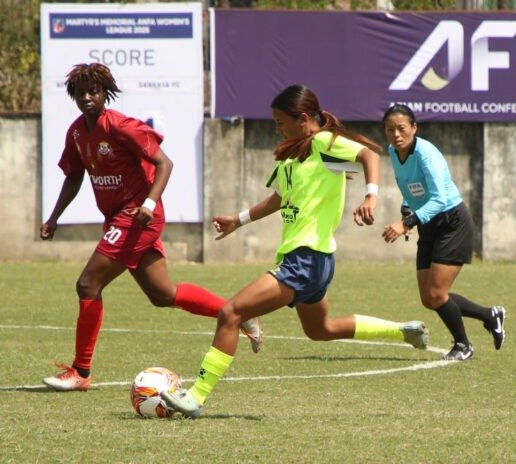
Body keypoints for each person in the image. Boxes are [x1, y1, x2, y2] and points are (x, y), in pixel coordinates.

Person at [162, 85, 429, 418]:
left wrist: (371, 196)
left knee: (230, 313)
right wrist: (238, 220)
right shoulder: (294, 153)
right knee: (320, 330)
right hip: (311, 261)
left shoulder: (323, 143)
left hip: (306, 258)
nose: (277, 129)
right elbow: (279, 198)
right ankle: (403, 330)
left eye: (280, 122)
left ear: (303, 119)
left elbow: (369, 156)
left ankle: (196, 396)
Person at [40, 63, 263, 392]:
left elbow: (164, 163)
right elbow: (74, 176)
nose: (87, 97)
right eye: (81, 93)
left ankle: (80, 371)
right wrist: (54, 216)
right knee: (162, 295)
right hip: (119, 218)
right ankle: (237, 313)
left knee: (87, 284)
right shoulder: (76, 133)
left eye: (94, 91)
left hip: (137, 216)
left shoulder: (120, 126)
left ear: (105, 93)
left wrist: (148, 203)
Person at [380, 103, 506, 362]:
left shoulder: (427, 154)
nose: (396, 134)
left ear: (414, 127)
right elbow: (408, 186)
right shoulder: (393, 151)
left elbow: (439, 199)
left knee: (437, 294)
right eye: (390, 129)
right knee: (429, 298)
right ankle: (489, 315)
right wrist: (406, 212)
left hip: (451, 222)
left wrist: (408, 223)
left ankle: (463, 345)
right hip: (428, 224)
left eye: (402, 128)